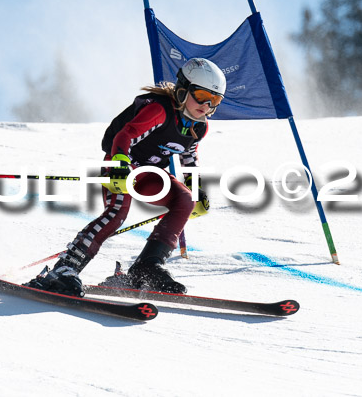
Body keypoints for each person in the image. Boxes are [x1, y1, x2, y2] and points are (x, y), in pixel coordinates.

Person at [26, 58, 226, 296]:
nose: (206, 105)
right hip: (121, 162)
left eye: (214, 100)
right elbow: (126, 134)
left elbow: (189, 155)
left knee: (185, 199)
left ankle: (148, 266)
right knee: (117, 212)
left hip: (149, 174)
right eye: (202, 95)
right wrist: (120, 164)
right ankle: (65, 269)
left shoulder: (198, 127)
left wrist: (195, 187)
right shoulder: (160, 110)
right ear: (184, 90)